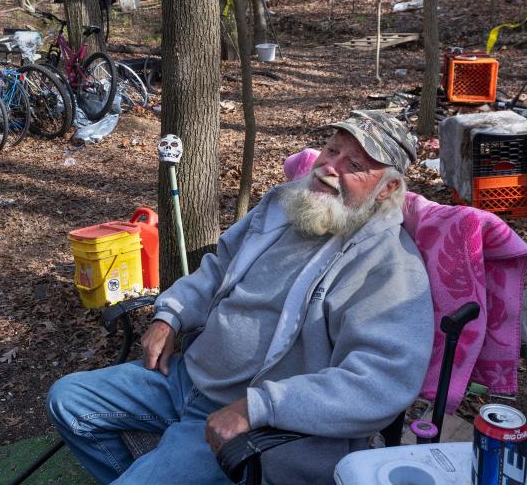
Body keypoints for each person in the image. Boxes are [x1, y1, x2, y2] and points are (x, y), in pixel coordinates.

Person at [47, 110, 434, 484]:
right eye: (333, 150)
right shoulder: (286, 204)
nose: (330, 167)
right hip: (185, 377)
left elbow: (380, 382)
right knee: (68, 400)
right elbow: (219, 267)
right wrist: (172, 315)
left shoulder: (389, 267)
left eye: (356, 165)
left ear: (388, 189)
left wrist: (259, 406)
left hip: (252, 422)